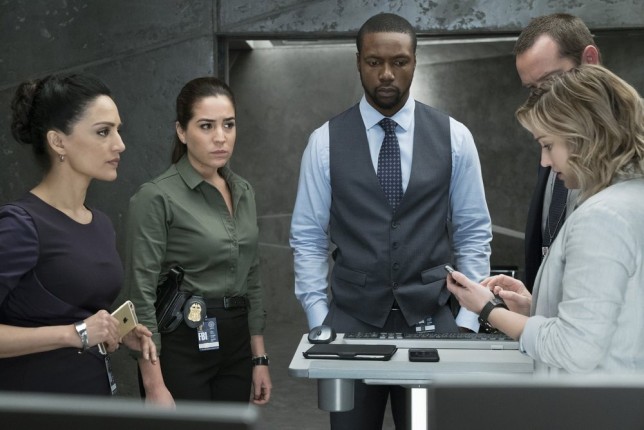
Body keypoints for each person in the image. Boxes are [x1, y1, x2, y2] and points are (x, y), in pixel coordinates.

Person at [290, 13, 492, 429]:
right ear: (358, 63)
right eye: (374, 62)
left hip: (434, 319)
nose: (386, 74)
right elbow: (308, 237)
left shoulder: (455, 137)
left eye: (399, 62)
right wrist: (318, 317)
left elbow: (473, 232)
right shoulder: (323, 142)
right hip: (349, 324)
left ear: (415, 62)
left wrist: (469, 322)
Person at [447, 65, 644, 374]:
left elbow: (574, 349)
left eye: (548, 145)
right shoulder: (630, 199)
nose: (545, 161)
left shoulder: (602, 218)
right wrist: (536, 306)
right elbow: (614, 321)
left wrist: (487, 308)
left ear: (584, 136)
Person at [0, 73, 157, 395]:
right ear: (58, 142)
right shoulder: (20, 225)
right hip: (36, 406)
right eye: (103, 132)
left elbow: (75, 312)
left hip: (92, 399)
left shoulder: (100, 223)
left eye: (118, 130)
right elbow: (75, 328)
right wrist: (75, 334)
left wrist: (113, 331)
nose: (120, 144)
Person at [125, 77, 272, 406]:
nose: (221, 137)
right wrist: (153, 384)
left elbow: (252, 277)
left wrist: (259, 357)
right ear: (181, 131)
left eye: (228, 125)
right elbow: (140, 295)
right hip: (180, 344)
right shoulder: (156, 196)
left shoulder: (243, 191)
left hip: (235, 345)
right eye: (206, 126)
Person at [515, 13, 601, 291]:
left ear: (590, 60)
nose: (543, 100)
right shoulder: (550, 147)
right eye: (533, 90)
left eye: (550, 82)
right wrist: (534, 305)